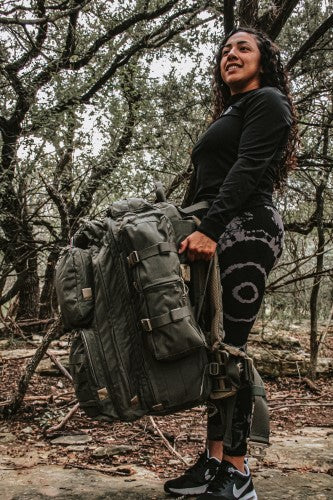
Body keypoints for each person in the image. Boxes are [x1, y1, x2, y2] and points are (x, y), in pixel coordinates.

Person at [164, 26, 298, 499]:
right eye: (225, 49)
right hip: (218, 229)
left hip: (247, 229)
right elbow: (205, 181)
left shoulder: (269, 101)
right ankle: (214, 460)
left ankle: (238, 474)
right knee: (215, 351)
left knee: (231, 352)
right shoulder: (234, 110)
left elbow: (246, 171)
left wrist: (210, 229)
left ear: (264, 60)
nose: (231, 54)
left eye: (243, 48)